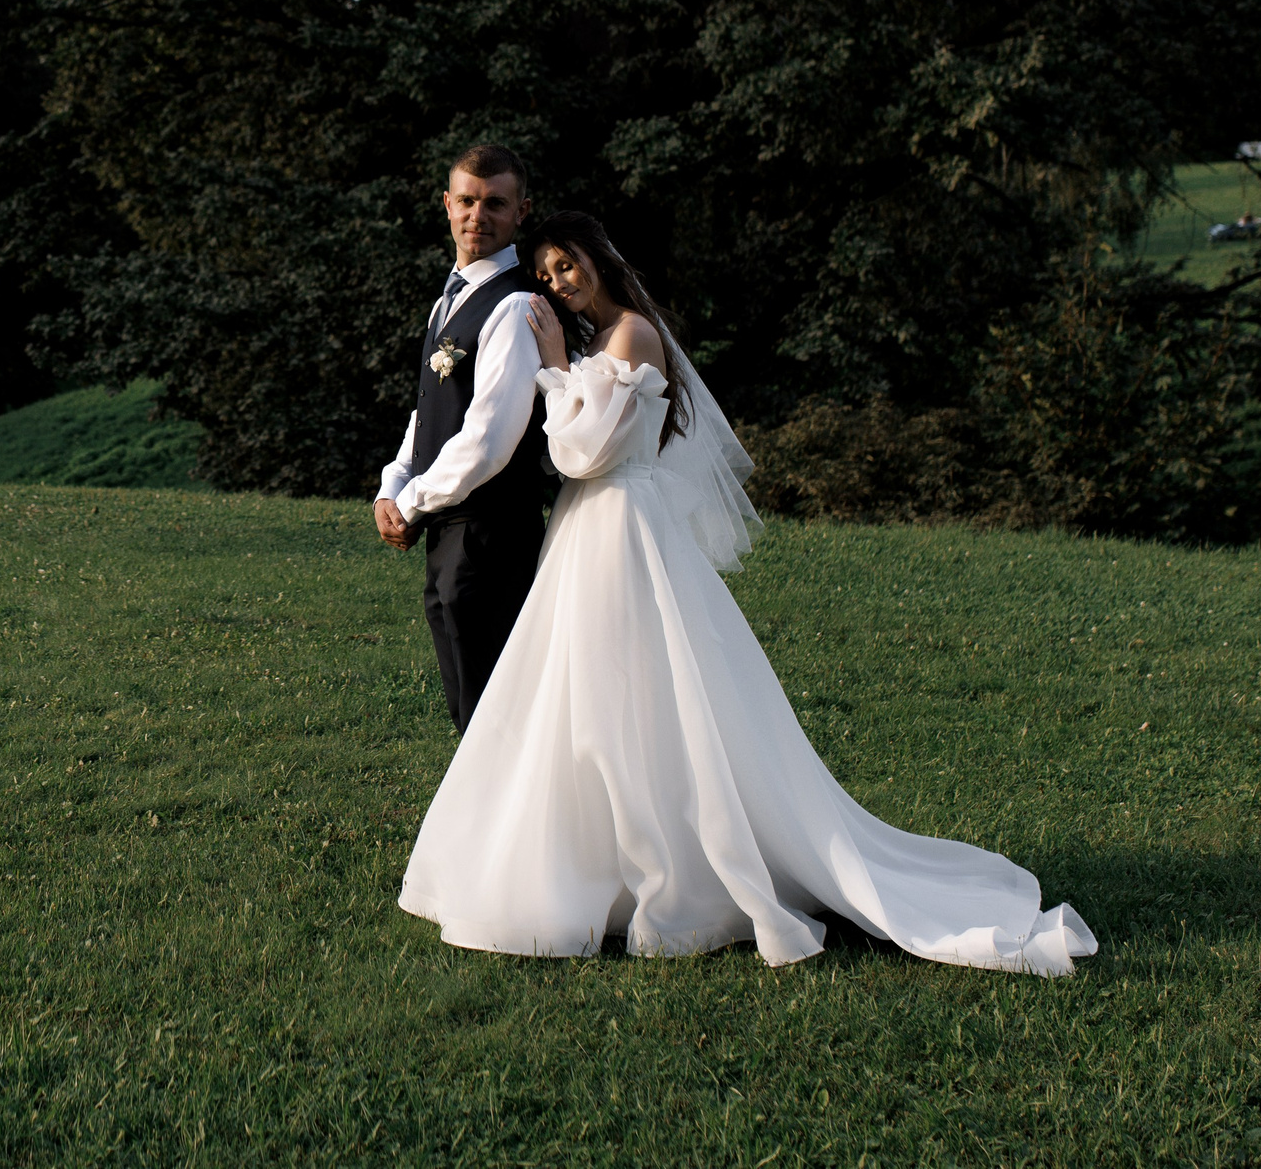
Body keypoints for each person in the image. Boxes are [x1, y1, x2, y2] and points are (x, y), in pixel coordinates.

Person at [397, 210, 1098, 975]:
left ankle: (675, 870)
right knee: (583, 697)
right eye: (546, 273)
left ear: (598, 259)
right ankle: (594, 864)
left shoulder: (630, 335)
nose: (558, 282)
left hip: (620, 527)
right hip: (589, 533)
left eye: (568, 266)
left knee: (631, 697)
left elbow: (581, 452)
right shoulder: (604, 341)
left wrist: (556, 364)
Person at [372, 145, 561, 733]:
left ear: (521, 211)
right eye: (468, 201)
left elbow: (488, 441)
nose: (479, 215)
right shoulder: (448, 299)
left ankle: (507, 823)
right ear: (447, 204)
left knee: (492, 710)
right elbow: (429, 412)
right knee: (466, 697)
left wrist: (412, 503)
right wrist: (392, 484)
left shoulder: (516, 305)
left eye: (496, 203)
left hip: (491, 532)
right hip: (451, 527)